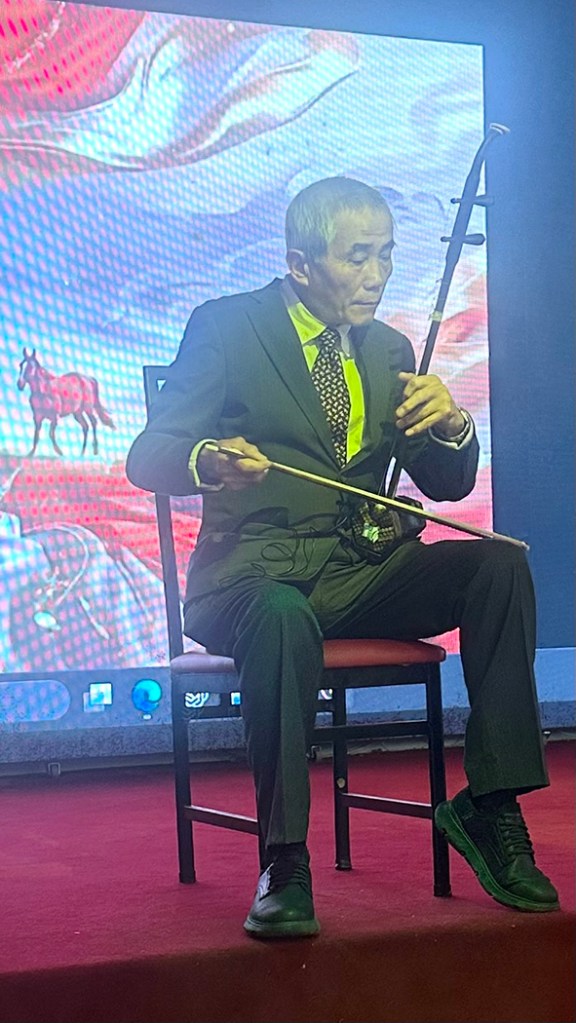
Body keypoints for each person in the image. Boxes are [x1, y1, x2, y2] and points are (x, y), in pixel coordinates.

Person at [126, 176, 559, 938]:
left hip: (360, 573)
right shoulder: (227, 328)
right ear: (299, 263)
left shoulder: (389, 348)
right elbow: (147, 454)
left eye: (386, 256)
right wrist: (208, 460)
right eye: (358, 257)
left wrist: (452, 425)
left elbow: (447, 483)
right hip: (252, 578)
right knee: (283, 615)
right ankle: (284, 859)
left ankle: (491, 804)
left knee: (498, 567)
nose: (377, 275)